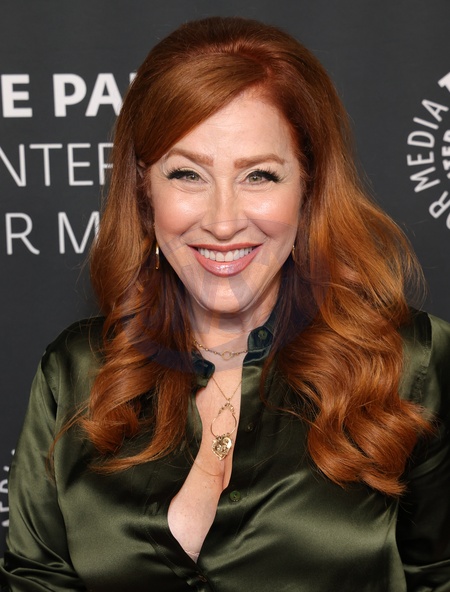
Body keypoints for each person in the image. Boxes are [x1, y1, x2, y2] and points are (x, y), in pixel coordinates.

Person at [1, 15, 450, 592]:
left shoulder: (411, 364)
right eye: (187, 174)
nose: (222, 221)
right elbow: (36, 580)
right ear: (143, 190)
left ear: (308, 186)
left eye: (258, 176)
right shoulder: (74, 372)